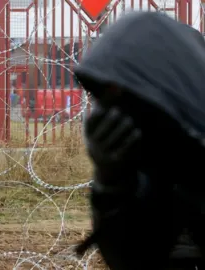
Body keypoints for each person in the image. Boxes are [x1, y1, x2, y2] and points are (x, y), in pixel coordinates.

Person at [73, 12, 205, 269]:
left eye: (119, 93)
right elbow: (130, 258)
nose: (108, 111)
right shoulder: (150, 153)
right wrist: (110, 181)